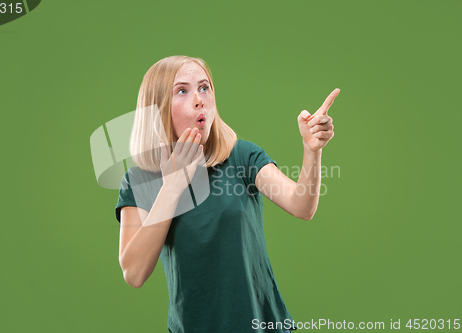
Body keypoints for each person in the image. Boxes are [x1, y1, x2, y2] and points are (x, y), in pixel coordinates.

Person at [115, 55, 339, 333]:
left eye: (204, 87)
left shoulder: (242, 156)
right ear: (157, 107)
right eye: (182, 90)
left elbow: (302, 206)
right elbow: (134, 273)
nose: (199, 99)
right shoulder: (138, 181)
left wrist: (311, 150)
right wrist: (172, 185)